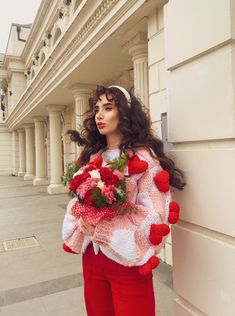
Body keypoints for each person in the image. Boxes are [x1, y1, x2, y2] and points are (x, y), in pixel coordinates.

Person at [62, 85, 186, 316]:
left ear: (125, 113)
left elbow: (154, 214)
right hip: (92, 258)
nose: (99, 114)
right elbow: (77, 202)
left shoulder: (145, 159)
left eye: (108, 108)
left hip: (128, 262)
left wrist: (103, 230)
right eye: (97, 108)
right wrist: (82, 219)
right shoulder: (92, 157)